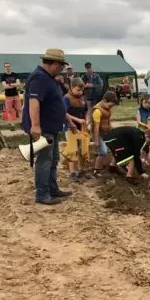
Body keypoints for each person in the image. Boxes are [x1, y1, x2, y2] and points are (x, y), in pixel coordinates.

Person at [21, 48, 75, 205]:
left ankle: (52, 189)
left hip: (52, 127)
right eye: (62, 66)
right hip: (43, 128)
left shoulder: (49, 78)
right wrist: (36, 125)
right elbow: (34, 102)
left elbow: (56, 104)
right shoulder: (40, 78)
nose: (62, 70)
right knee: (44, 160)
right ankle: (42, 194)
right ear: (56, 64)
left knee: (53, 159)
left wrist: (69, 122)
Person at [62, 78, 93, 181]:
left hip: (81, 127)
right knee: (73, 149)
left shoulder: (82, 98)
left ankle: (82, 170)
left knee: (82, 148)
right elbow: (64, 113)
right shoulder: (66, 98)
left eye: (82, 90)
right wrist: (77, 120)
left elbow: (86, 111)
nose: (80, 92)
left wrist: (87, 119)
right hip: (70, 127)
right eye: (78, 90)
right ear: (71, 87)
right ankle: (73, 172)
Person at [91, 91, 118, 177]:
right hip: (98, 133)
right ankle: (96, 170)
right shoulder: (97, 111)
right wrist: (96, 141)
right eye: (110, 105)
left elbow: (108, 120)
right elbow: (96, 127)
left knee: (114, 147)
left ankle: (112, 166)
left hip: (106, 132)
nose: (111, 107)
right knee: (103, 152)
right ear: (104, 101)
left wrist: (111, 129)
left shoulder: (107, 108)